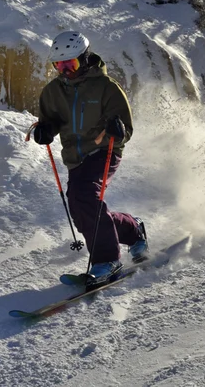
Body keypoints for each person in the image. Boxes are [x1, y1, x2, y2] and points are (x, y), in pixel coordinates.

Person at [32, 31, 148, 282]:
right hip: (76, 156)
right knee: (82, 211)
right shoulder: (52, 92)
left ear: (84, 59)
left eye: (70, 64)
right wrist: (45, 131)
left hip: (104, 150)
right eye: (59, 65)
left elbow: (125, 129)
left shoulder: (107, 88)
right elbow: (50, 121)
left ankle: (107, 260)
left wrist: (118, 131)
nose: (65, 70)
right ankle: (132, 230)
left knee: (84, 197)